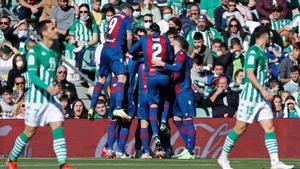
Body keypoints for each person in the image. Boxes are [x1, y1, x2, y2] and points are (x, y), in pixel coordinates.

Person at [217, 26, 294, 169]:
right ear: (265, 36)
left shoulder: (262, 52)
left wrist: (265, 91)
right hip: (250, 97)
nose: (271, 39)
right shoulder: (253, 51)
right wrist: (263, 91)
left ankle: (275, 162)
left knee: (269, 127)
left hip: (261, 98)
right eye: (270, 36)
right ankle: (223, 157)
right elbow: (250, 74)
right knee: (240, 128)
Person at [6, 20, 76, 169]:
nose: (55, 30)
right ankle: (11, 159)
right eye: (52, 28)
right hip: (36, 100)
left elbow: (51, 75)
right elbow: (32, 76)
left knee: (58, 125)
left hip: (50, 100)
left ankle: (63, 164)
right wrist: (47, 87)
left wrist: (56, 86)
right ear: (44, 33)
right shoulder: (34, 52)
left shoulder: (55, 52)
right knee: (29, 132)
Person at [127, 23, 173, 153]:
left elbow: (131, 54)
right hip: (161, 80)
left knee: (144, 121)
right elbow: (170, 58)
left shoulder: (139, 53)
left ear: (148, 33)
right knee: (161, 110)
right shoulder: (165, 40)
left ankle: (146, 151)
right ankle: (162, 148)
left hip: (145, 89)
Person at [152, 36, 196, 159]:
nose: (170, 44)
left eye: (171, 43)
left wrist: (162, 63)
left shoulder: (181, 54)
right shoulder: (176, 57)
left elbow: (177, 68)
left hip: (184, 91)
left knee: (188, 119)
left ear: (177, 44)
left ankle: (191, 150)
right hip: (177, 92)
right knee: (177, 119)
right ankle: (188, 147)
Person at [89, 5, 133, 120]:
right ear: (129, 14)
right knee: (122, 78)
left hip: (105, 49)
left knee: (101, 79)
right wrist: (129, 50)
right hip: (115, 50)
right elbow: (129, 37)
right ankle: (118, 108)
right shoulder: (127, 19)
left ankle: (91, 107)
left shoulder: (113, 18)